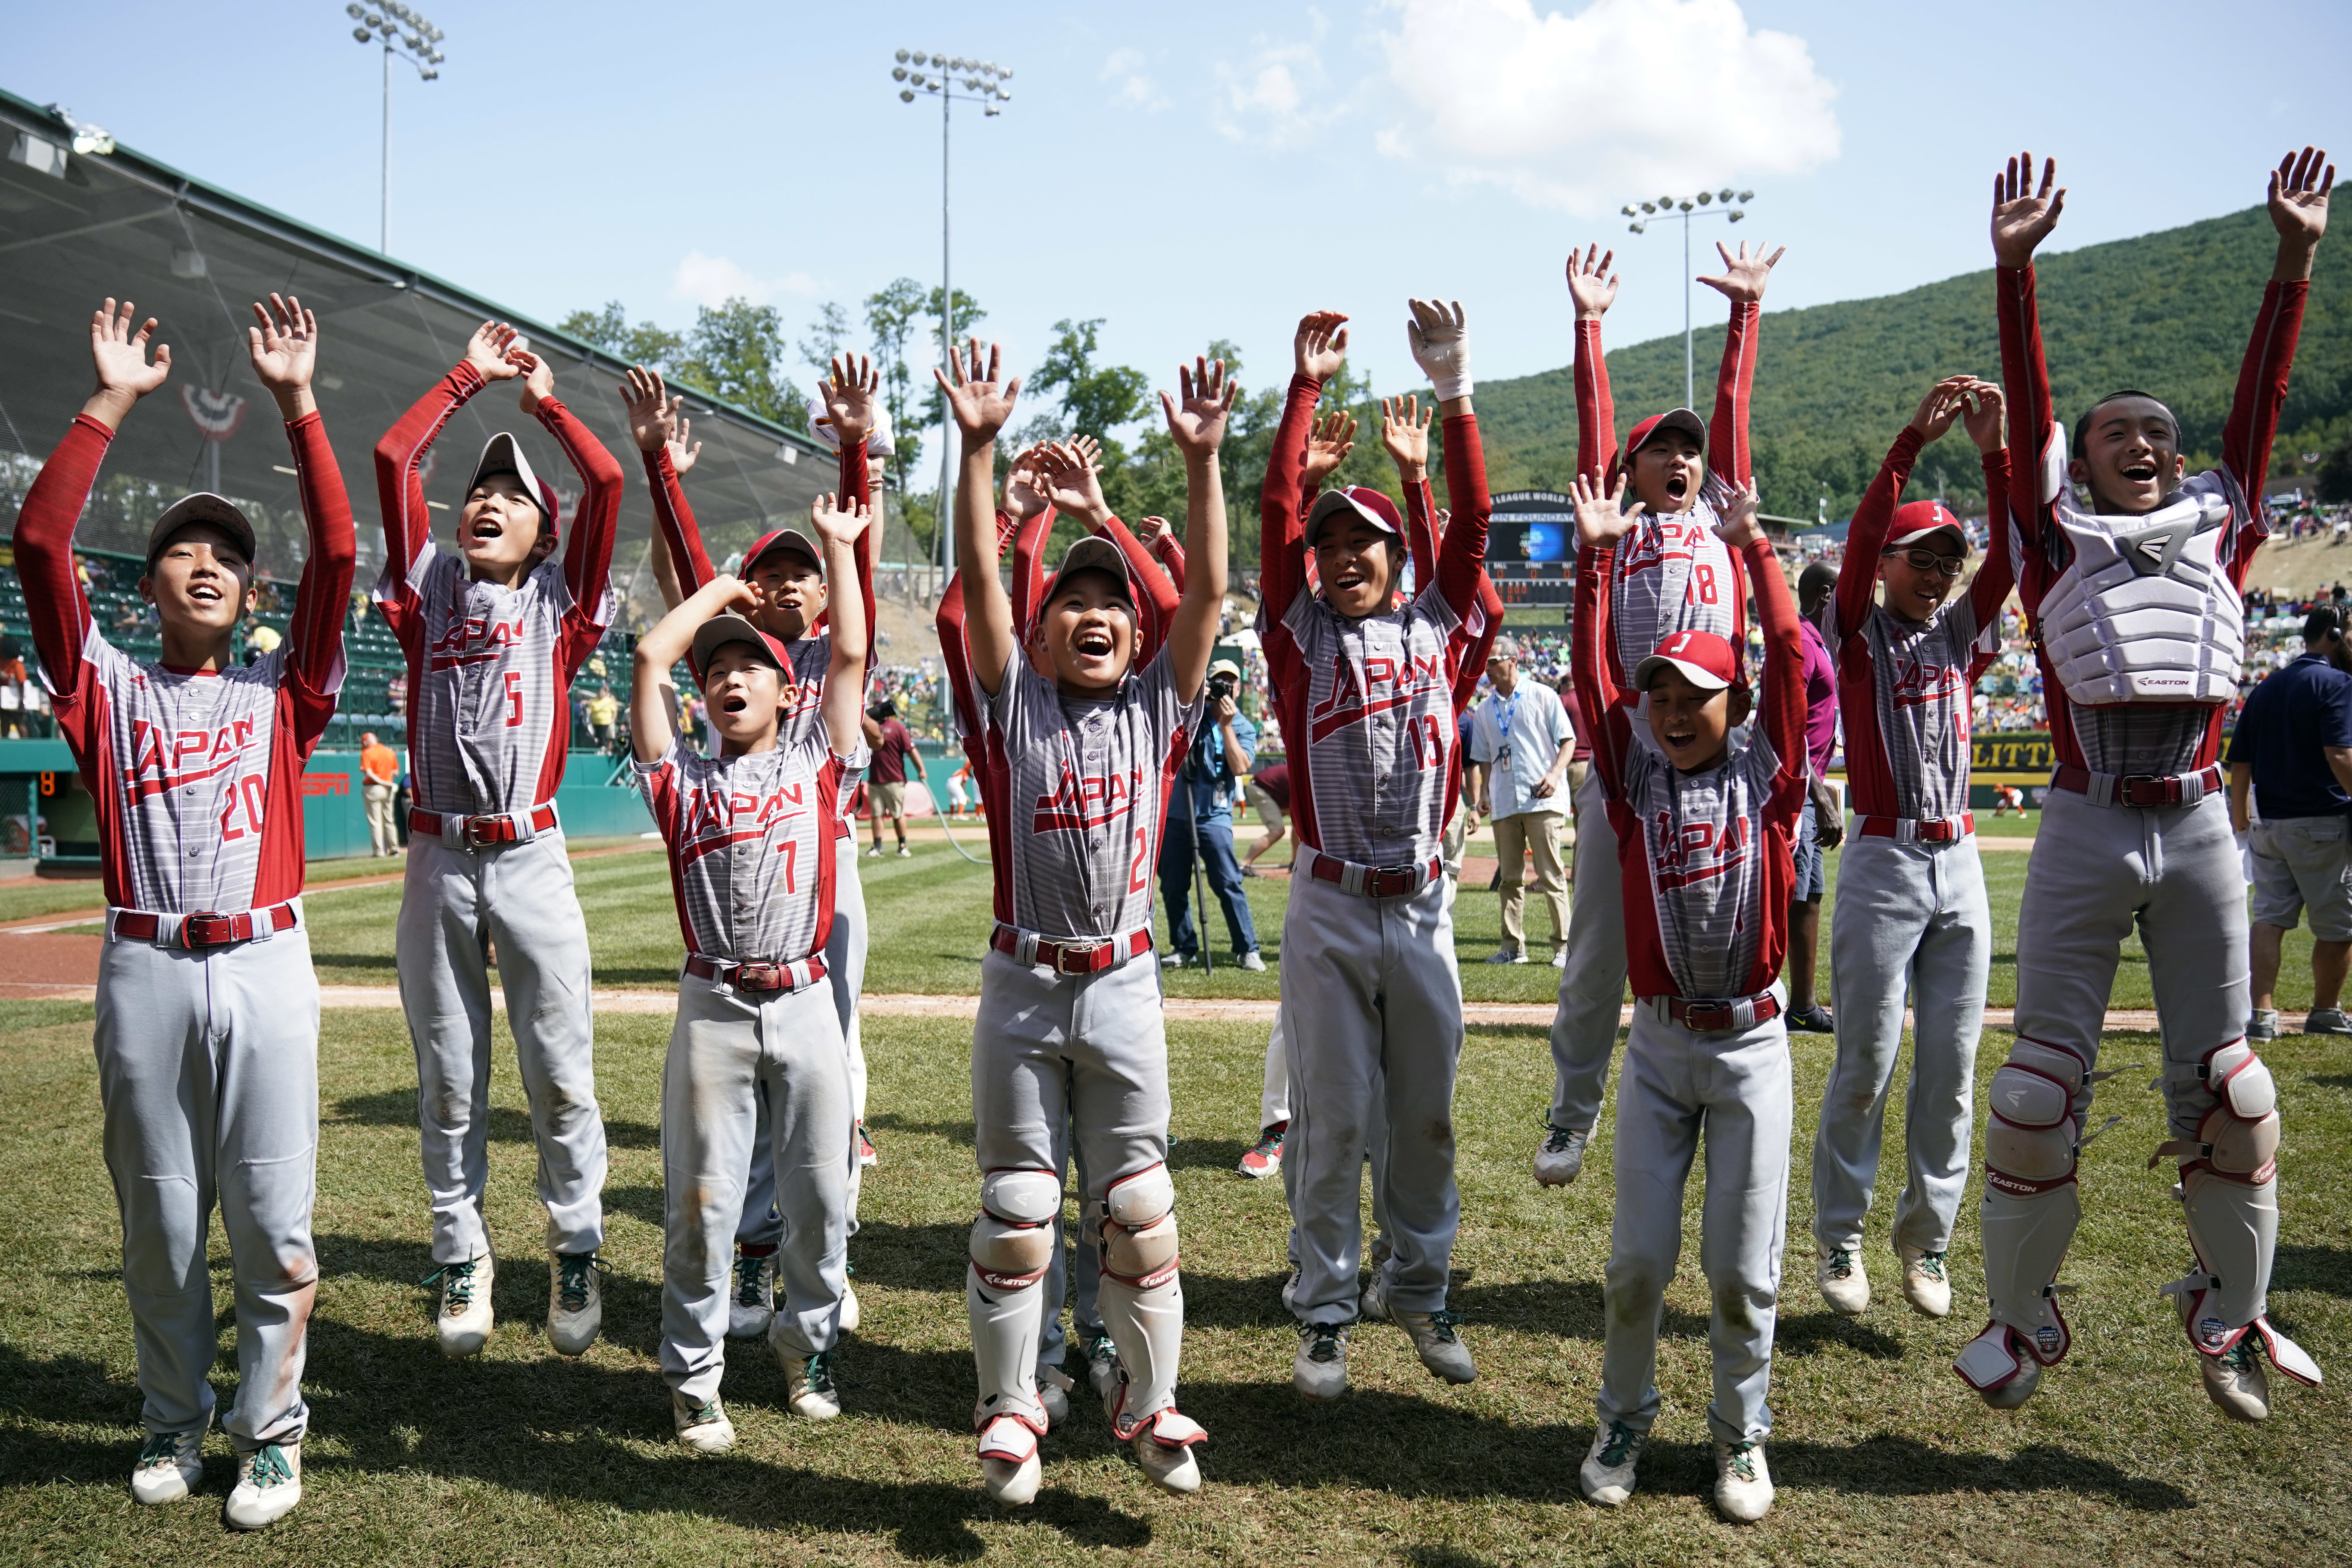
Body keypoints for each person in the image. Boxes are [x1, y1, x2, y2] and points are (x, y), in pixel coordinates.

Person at [1954, 149, 2329, 1421]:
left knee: (2235, 1082)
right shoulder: (2046, 528)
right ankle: (2018, 1319)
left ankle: (2228, 1310)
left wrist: (2294, 259)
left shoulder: (2222, 526)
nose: (2142, 444)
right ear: (2081, 458)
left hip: (2199, 823)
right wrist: (2017, 274)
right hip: (2081, 820)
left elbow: (2260, 405)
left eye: (2156, 433)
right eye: (2115, 431)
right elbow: (2030, 390)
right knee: (2033, 1088)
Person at [17, 295, 355, 1529]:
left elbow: (338, 553)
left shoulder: (286, 691)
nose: (205, 559)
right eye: (181, 547)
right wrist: (109, 402)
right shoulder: (101, 688)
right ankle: (174, 1414)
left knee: (271, 1217)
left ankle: (272, 1431)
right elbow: (42, 546)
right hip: (147, 962)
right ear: (151, 579)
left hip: (264, 957)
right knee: (161, 1216)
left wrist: (300, 403)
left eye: (226, 551)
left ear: (251, 589)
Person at [934, 341, 1229, 1504]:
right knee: (1018, 1208)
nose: (1098, 611)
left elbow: (1200, 596)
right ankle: (1010, 1405)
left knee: (1140, 1206)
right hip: (1022, 984)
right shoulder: (1012, 705)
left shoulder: (1160, 708)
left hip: (1121, 983)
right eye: (1076, 600)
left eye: (1114, 599)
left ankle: (1149, 1401)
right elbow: (978, 577)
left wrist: (1200, 465)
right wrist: (976, 450)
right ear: (1043, 633)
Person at [374, 319, 622, 1362]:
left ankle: (575, 1245)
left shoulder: (563, 605)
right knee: (451, 1075)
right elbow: (395, 458)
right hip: (437, 853)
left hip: (529, 855)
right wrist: (465, 379)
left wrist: (547, 407)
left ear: (544, 532)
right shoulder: (427, 592)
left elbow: (606, 485)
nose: (487, 501)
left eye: (514, 495)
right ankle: (459, 1249)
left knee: (560, 1068)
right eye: (478, 490)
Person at [628, 358, 886, 1340]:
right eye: (768, 572)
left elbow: (852, 553)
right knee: (747, 1062)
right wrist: (662, 474)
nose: (783, 583)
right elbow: (693, 583)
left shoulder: (825, 663)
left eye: (800, 573)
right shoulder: (743, 666)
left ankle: (826, 1247)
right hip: (746, 857)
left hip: (828, 858)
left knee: (833, 1061)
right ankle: (752, 1244)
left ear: (824, 594)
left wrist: (855, 454)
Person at [1262, 303, 1491, 1403]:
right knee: (1334, 1110)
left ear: (1400, 556)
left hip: (1422, 902)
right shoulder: (1298, 635)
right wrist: (1300, 392)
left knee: (1424, 1112)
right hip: (1332, 900)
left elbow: (1477, 527)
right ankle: (1321, 1304)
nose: (1344, 554)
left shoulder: (1438, 627)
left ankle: (1421, 1282)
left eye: (1366, 542)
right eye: (1328, 544)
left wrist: (1449, 396)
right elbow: (1271, 519)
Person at [1568, 467, 1802, 1525]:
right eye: (1657, 694)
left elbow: (1794, 661)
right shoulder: (1632, 780)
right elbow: (1590, 678)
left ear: (1735, 705)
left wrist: (1755, 551)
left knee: (1742, 1273)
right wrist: (1594, 560)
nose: (1669, 710)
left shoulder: (1768, 778)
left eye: (1691, 695)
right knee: (1635, 1262)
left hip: (1753, 1048)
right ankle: (1623, 1412)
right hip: (1661, 1049)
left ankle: (1738, 1429)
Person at [1539, 237, 1780, 1188]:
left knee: (1722, 940)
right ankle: (1570, 1115)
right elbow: (1593, 421)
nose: (1679, 456)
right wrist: (1588, 324)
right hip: (1631, 769)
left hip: (1723, 776)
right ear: (1628, 470)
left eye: (1687, 446)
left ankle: (1726, 1072)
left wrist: (1743, 315)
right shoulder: (1615, 527)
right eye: (1658, 449)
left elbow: (1734, 412)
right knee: (1596, 954)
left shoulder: (1723, 521)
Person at [1809, 377, 2012, 1324]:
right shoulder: (1856, 634)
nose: (1934, 573)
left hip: (1959, 859)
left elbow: (2012, 557)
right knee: (1867, 1060)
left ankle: (1926, 1241)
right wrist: (1905, 446)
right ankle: (1840, 1234)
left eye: (1946, 559)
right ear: (1887, 563)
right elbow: (1852, 553)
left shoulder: (1962, 635)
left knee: (1953, 1065)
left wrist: (1992, 453)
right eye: (1917, 557)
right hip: (1886, 860)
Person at [2230, 606, 2352, 1040]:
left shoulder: (2267, 686)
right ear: (2334, 635)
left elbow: (2239, 763)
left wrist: (2240, 818)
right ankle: (2325, 1011)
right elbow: (2339, 754)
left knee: (2269, 919)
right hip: (2322, 822)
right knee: (2339, 925)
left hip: (2269, 824)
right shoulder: (2337, 683)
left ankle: (2261, 1016)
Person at [1468, 635, 1574, 967]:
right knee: (1510, 878)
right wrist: (1484, 791)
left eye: (1493, 661)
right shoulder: (1484, 710)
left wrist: (1555, 775)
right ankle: (1512, 948)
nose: (1487, 668)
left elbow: (1567, 741)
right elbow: (1484, 756)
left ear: (1513, 661)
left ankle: (1563, 947)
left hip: (1542, 798)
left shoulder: (1542, 696)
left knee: (1551, 874)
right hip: (1503, 799)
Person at [1161, 656, 1263, 971]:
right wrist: (1194, 697)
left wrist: (1226, 726)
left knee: (1228, 882)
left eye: (1229, 684)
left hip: (1214, 817)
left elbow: (1240, 767)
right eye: (1218, 682)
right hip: (1177, 812)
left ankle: (1247, 948)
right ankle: (1184, 947)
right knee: (1173, 885)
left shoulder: (1242, 726)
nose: (1224, 689)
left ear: (1237, 687)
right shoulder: (1190, 716)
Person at [1783, 563, 1844, 1032]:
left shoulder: (1819, 643)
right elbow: (1789, 724)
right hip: (1796, 788)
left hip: (1811, 786)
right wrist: (1820, 794)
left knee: (1811, 894)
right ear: (1826, 595)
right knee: (1791, 893)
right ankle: (1773, 999)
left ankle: (1804, 1004)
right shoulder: (1802, 641)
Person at [865, 699, 926, 856]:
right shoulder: (867, 727)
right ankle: (877, 847)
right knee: (876, 814)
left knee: (897, 814)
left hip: (894, 779)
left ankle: (902, 846)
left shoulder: (897, 727)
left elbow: (911, 750)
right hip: (875, 779)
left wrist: (921, 769)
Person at [1240, 759, 1290, 875]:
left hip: (1265, 788)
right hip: (1260, 788)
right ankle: (1243, 865)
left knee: (1298, 824)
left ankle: (1295, 862)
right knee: (1278, 831)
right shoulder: (1304, 781)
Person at [359, 730, 400, 857]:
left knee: (375, 821)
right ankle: (394, 850)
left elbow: (369, 773)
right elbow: (396, 772)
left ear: (366, 742)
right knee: (389, 820)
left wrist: (382, 781)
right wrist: (386, 779)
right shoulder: (389, 751)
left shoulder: (367, 752)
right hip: (388, 789)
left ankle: (379, 852)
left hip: (374, 788)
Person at [586, 684, 620, 752]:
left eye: (603, 692)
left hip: (606, 722)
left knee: (604, 736)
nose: (601, 694)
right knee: (597, 736)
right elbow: (591, 711)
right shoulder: (594, 701)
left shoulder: (609, 701)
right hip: (595, 723)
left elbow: (614, 711)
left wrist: (613, 720)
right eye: (600, 692)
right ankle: (599, 749)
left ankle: (604, 749)